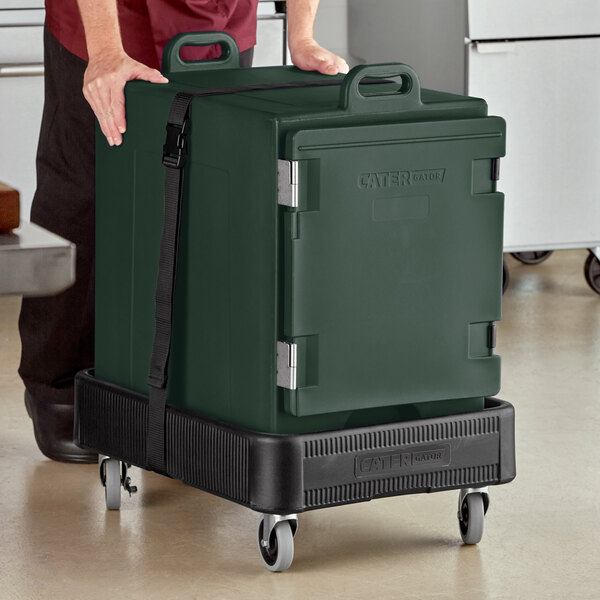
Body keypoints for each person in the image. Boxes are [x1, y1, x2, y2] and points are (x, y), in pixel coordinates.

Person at [19, 0, 349, 463]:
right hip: (111, 22)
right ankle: (58, 386)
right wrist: (106, 49)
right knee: (83, 191)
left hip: (218, 23)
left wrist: (302, 35)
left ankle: (190, 392)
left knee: (209, 196)